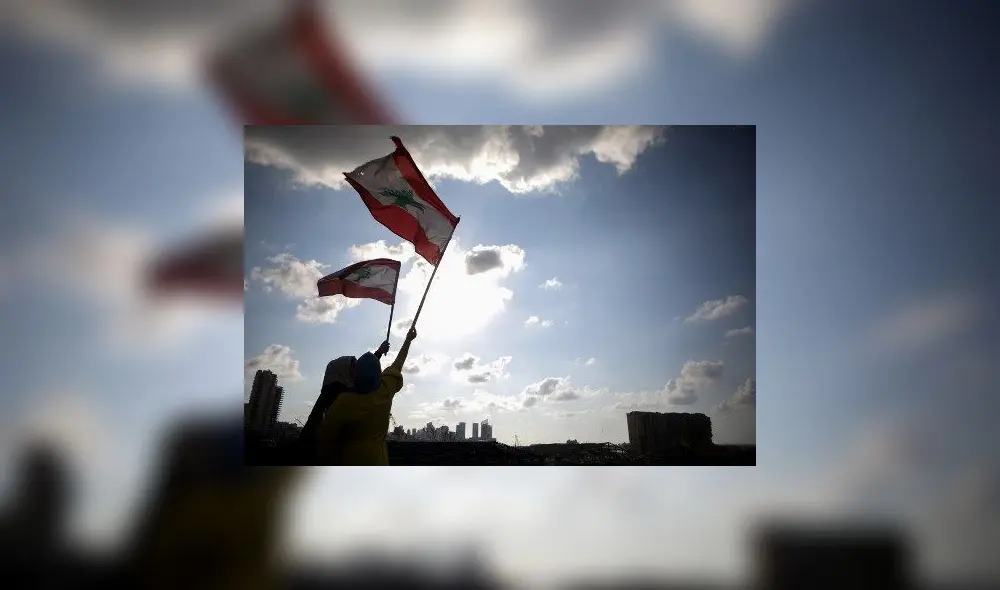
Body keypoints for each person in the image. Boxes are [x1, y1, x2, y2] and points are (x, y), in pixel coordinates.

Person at [316, 326, 417, 465]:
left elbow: (325, 442)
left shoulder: (343, 401)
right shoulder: (385, 389)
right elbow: (398, 363)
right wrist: (408, 340)